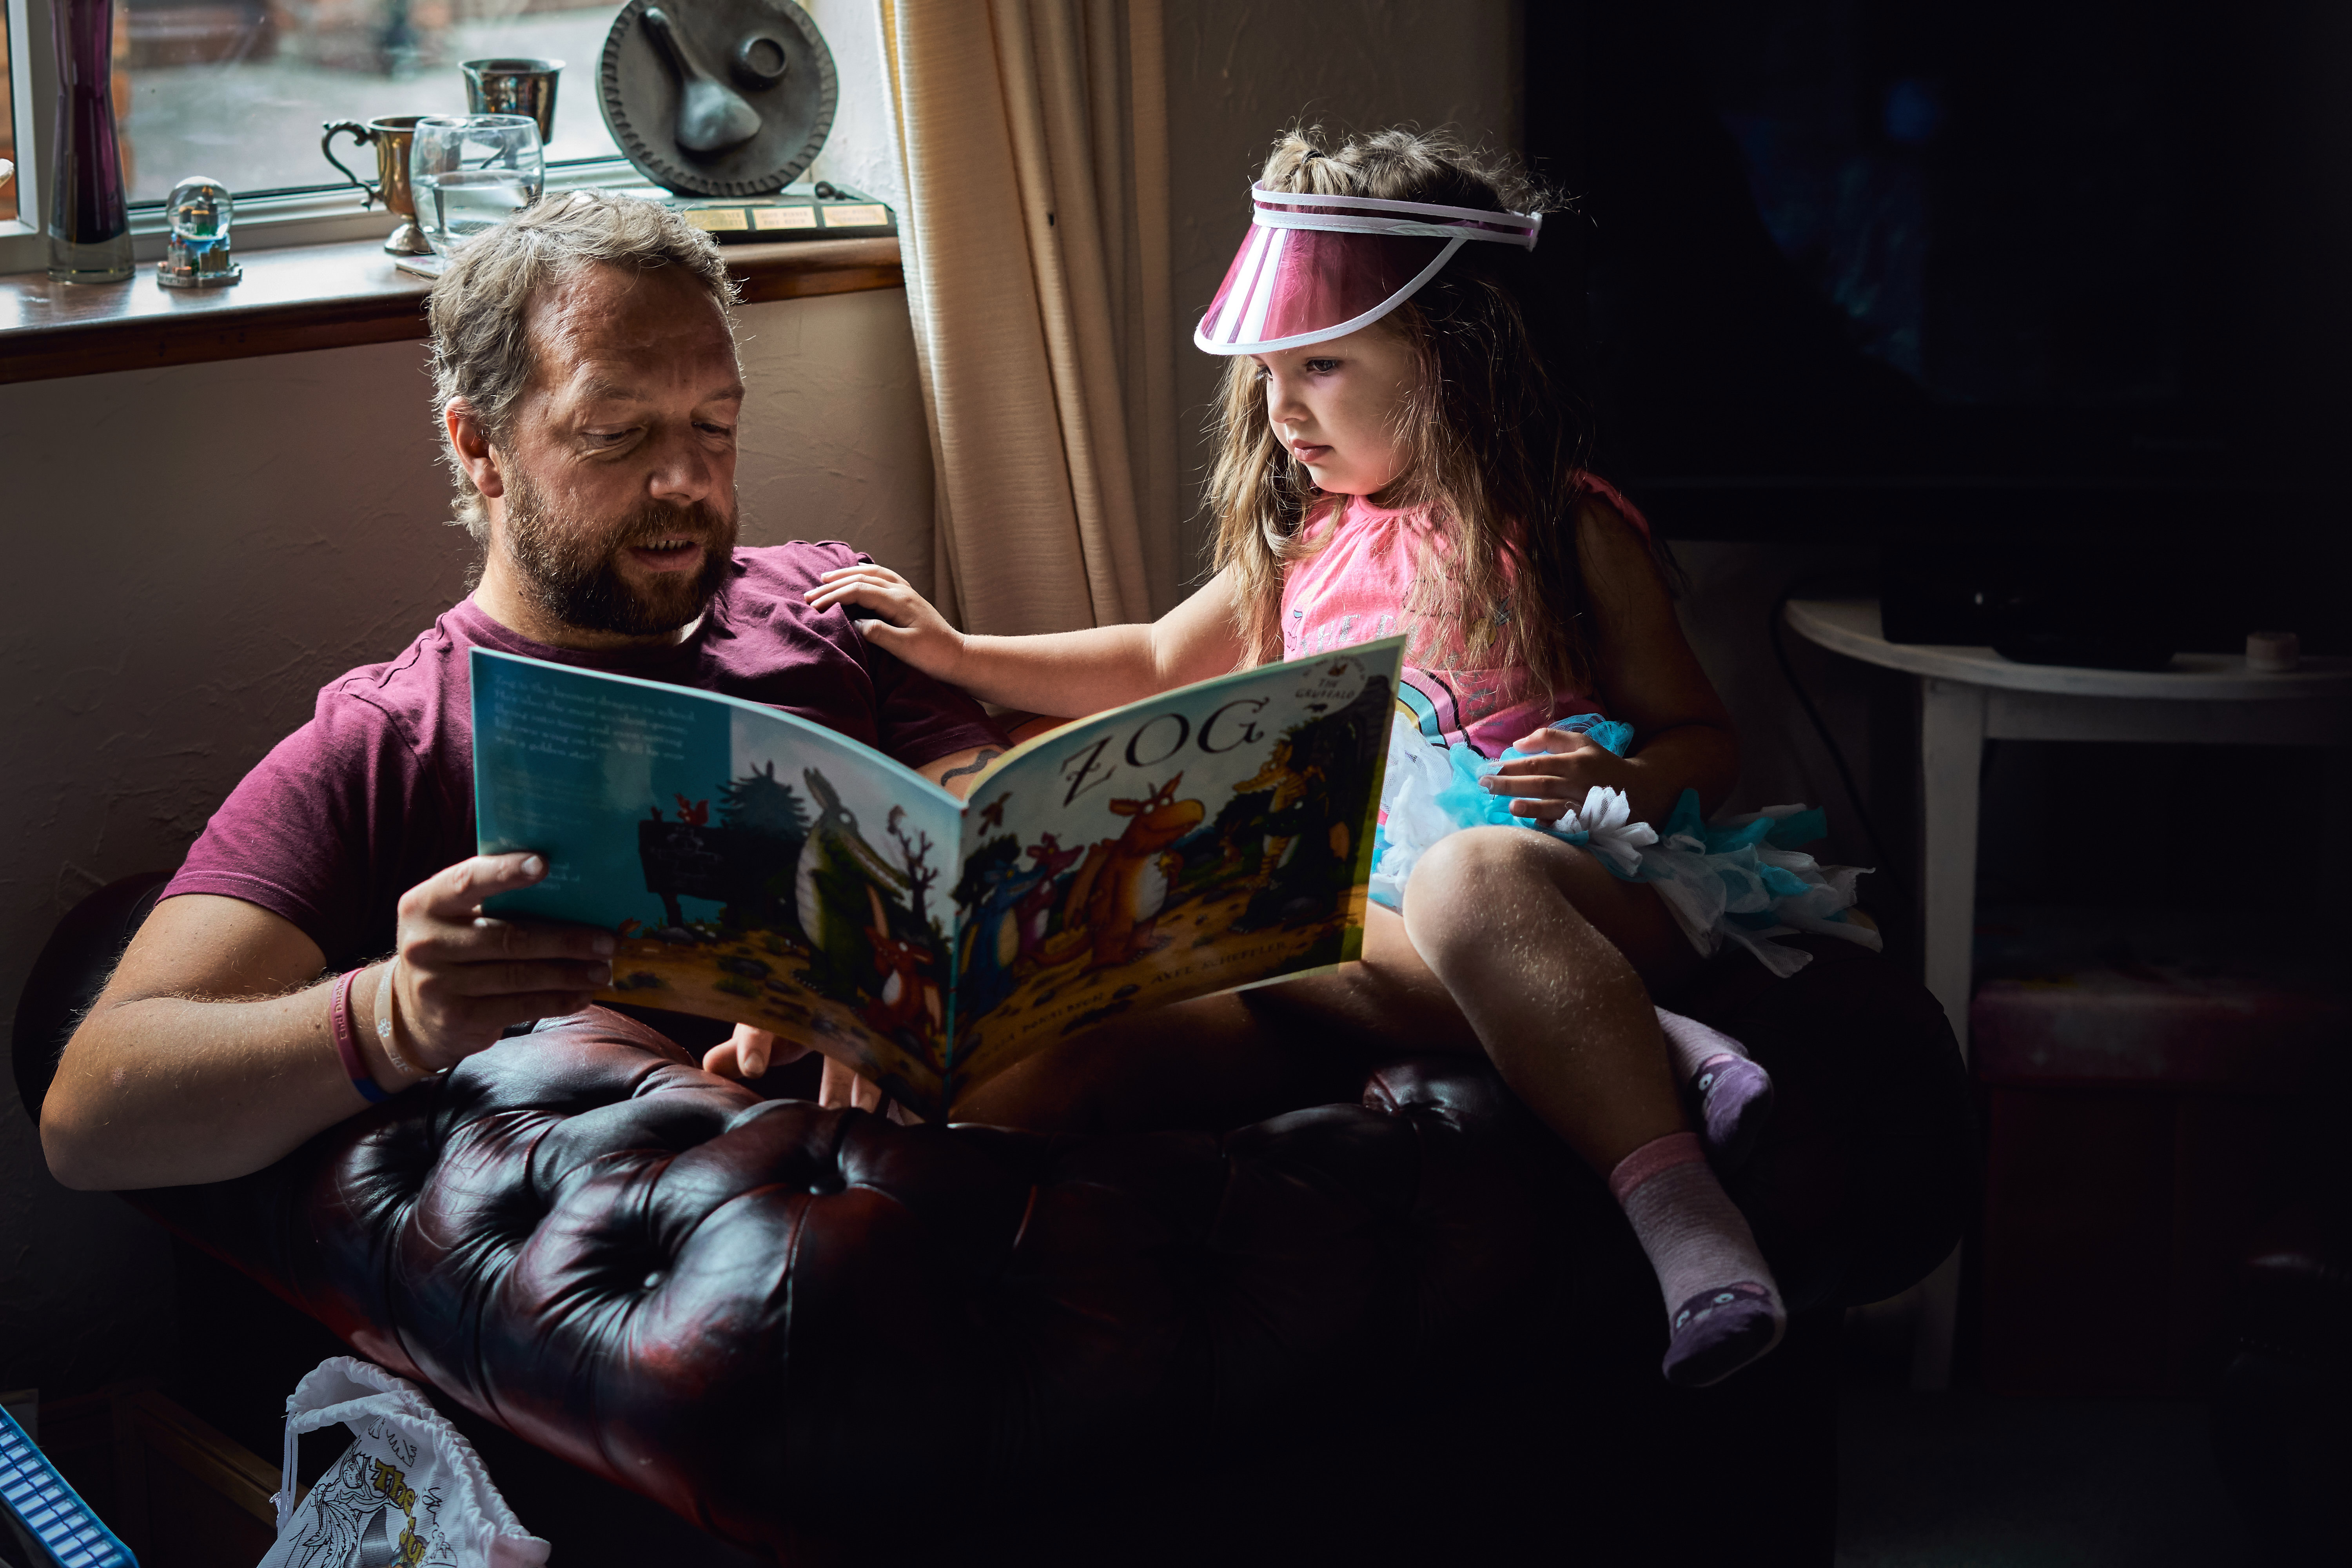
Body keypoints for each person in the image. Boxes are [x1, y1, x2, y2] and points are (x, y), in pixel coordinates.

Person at [793, 129, 1876, 1387]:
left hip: (1567, 884)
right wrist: (961, 653)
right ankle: (1650, 1040)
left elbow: (1706, 738)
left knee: (1469, 883)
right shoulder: (1311, 546)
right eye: (1268, 373)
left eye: (1321, 366)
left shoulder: (1563, 528)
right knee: (1092, 996)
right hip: (1351, 932)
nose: (1280, 408)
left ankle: (1686, 1220)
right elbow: (1155, 660)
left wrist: (1613, 779)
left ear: (1454, 360)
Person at [39, 193, 1008, 1193]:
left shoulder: (834, 604)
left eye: (715, 423)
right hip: (734, 1246)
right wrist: (394, 1017)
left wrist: (898, 961)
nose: (686, 476)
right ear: (479, 446)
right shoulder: (395, 742)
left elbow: (994, 825)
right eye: (616, 432)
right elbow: (91, 1116)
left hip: (997, 1170)